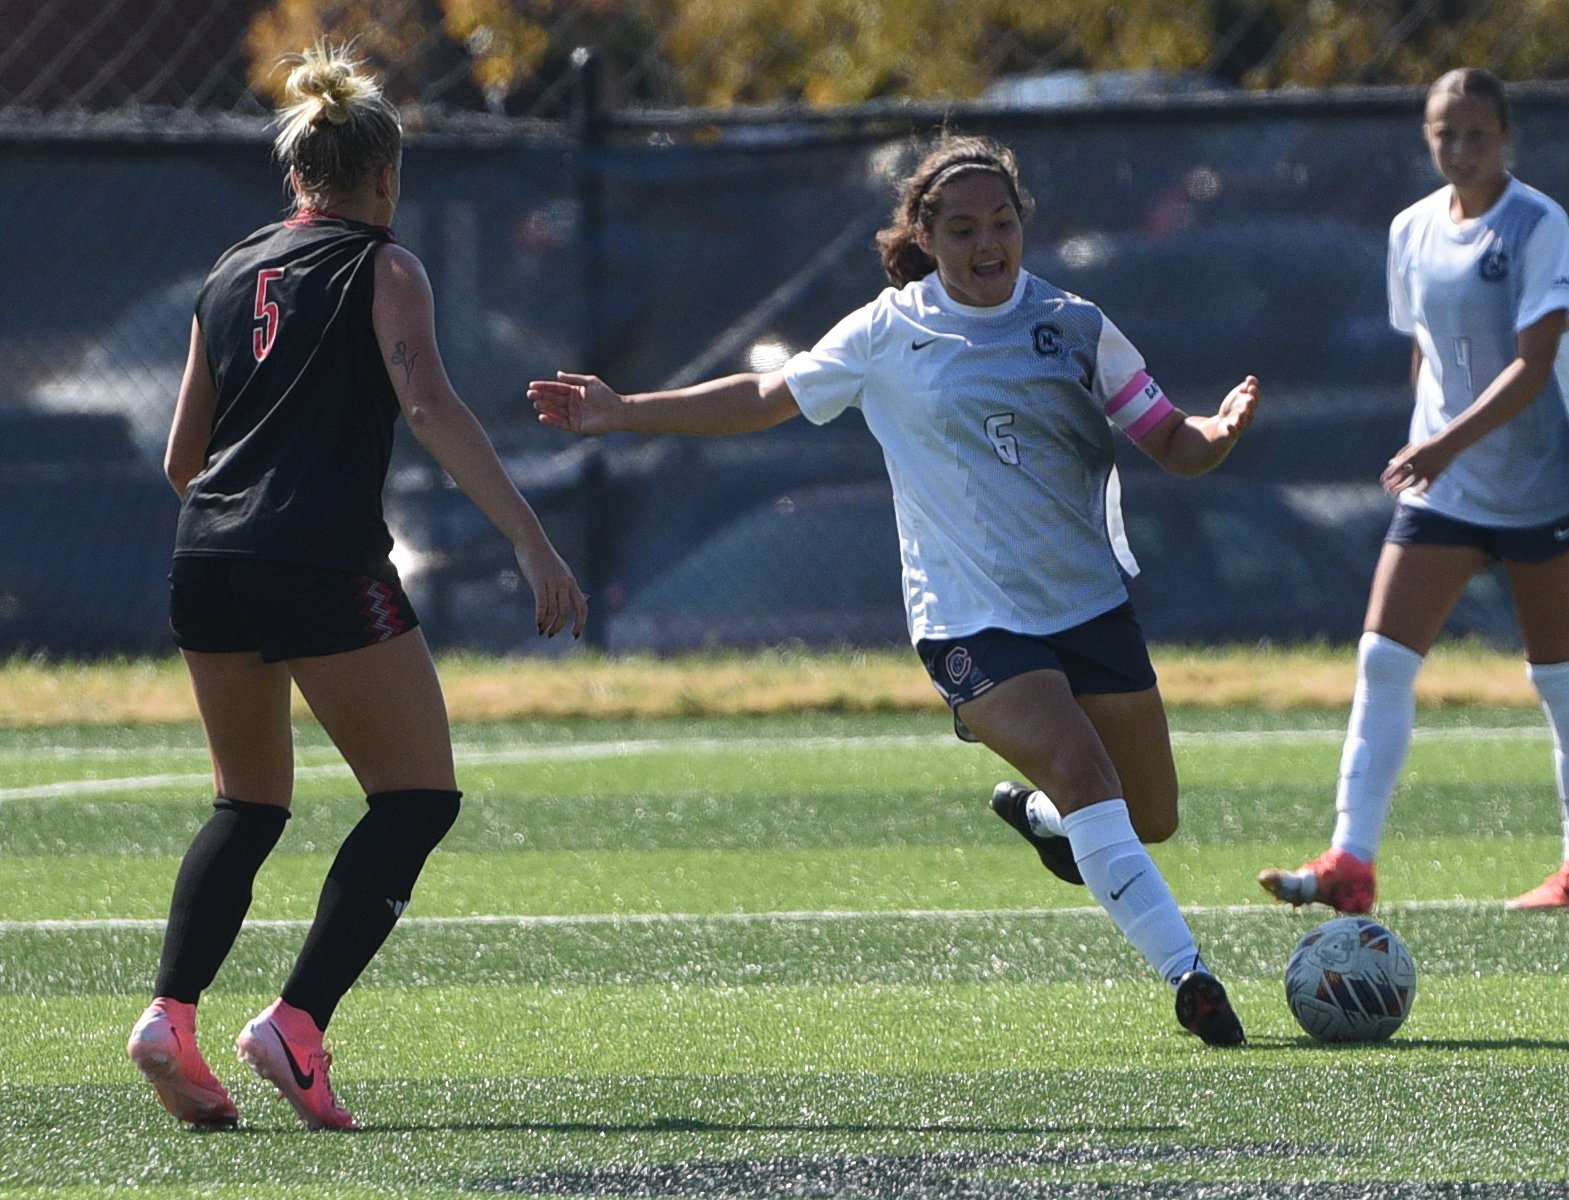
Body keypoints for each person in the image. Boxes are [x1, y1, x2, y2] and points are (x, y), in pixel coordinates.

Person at [531, 135, 1258, 1046]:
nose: (987, 243)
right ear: (926, 233)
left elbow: (1173, 445)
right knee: (1085, 771)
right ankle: (1190, 975)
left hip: (1088, 606)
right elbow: (764, 394)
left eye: (1001, 223)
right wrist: (624, 410)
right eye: (962, 228)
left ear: (1022, 223)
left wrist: (1218, 432)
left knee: (1149, 816)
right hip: (969, 621)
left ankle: (1043, 821)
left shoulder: (1074, 324)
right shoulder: (888, 331)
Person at [126, 44, 588, 1131]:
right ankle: (294, 1025)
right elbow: (426, 405)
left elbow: (180, 461)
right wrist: (532, 541)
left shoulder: (227, 270)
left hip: (206, 557)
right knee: (417, 797)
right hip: (318, 558)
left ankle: (167, 1016)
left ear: (298, 177)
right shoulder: (386, 265)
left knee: (248, 805)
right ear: (384, 176)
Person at [1259, 68, 1569, 915]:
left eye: (1476, 134)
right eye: (1443, 133)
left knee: (1558, 676)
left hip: (1542, 483)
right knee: (1382, 658)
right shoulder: (1411, 229)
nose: (1458, 149)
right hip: (1446, 488)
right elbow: (1423, 345)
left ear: (1506, 137)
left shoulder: (1537, 224)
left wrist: (1440, 444)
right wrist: (1431, 441)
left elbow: (1533, 366)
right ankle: (1351, 863)